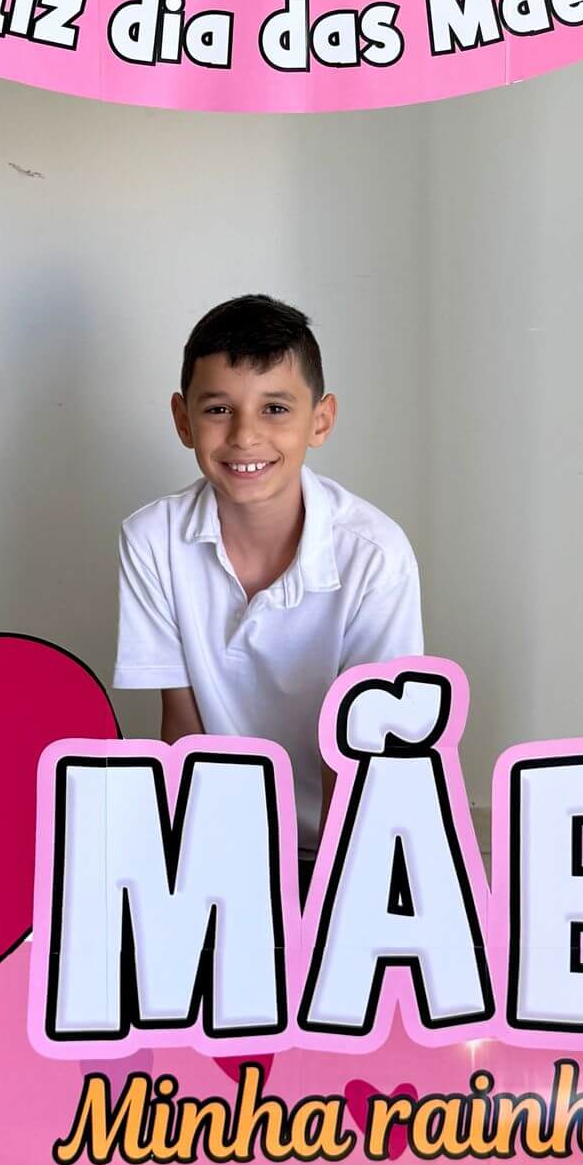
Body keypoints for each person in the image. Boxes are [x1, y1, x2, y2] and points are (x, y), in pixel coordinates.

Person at [113, 294, 424, 890]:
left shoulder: (375, 555)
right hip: (226, 840)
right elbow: (182, 720)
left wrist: (332, 890)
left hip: (352, 840)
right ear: (183, 420)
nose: (245, 435)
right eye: (219, 409)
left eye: (275, 408)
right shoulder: (152, 540)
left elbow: (366, 745)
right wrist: (192, 869)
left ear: (320, 421)